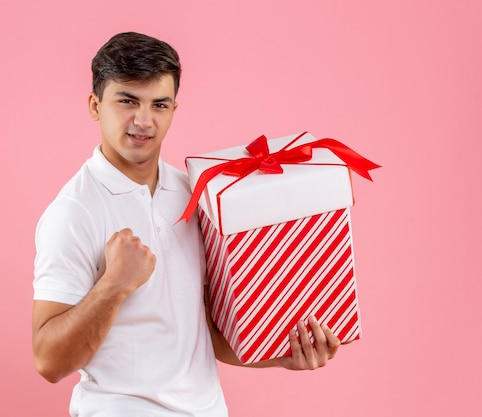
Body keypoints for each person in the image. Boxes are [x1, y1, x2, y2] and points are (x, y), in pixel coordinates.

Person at [32, 32, 341, 417]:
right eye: (127, 101)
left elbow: (204, 332)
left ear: (174, 109)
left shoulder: (195, 195)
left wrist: (280, 354)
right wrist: (113, 285)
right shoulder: (74, 212)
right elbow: (49, 360)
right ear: (95, 105)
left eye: (159, 104)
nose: (144, 120)